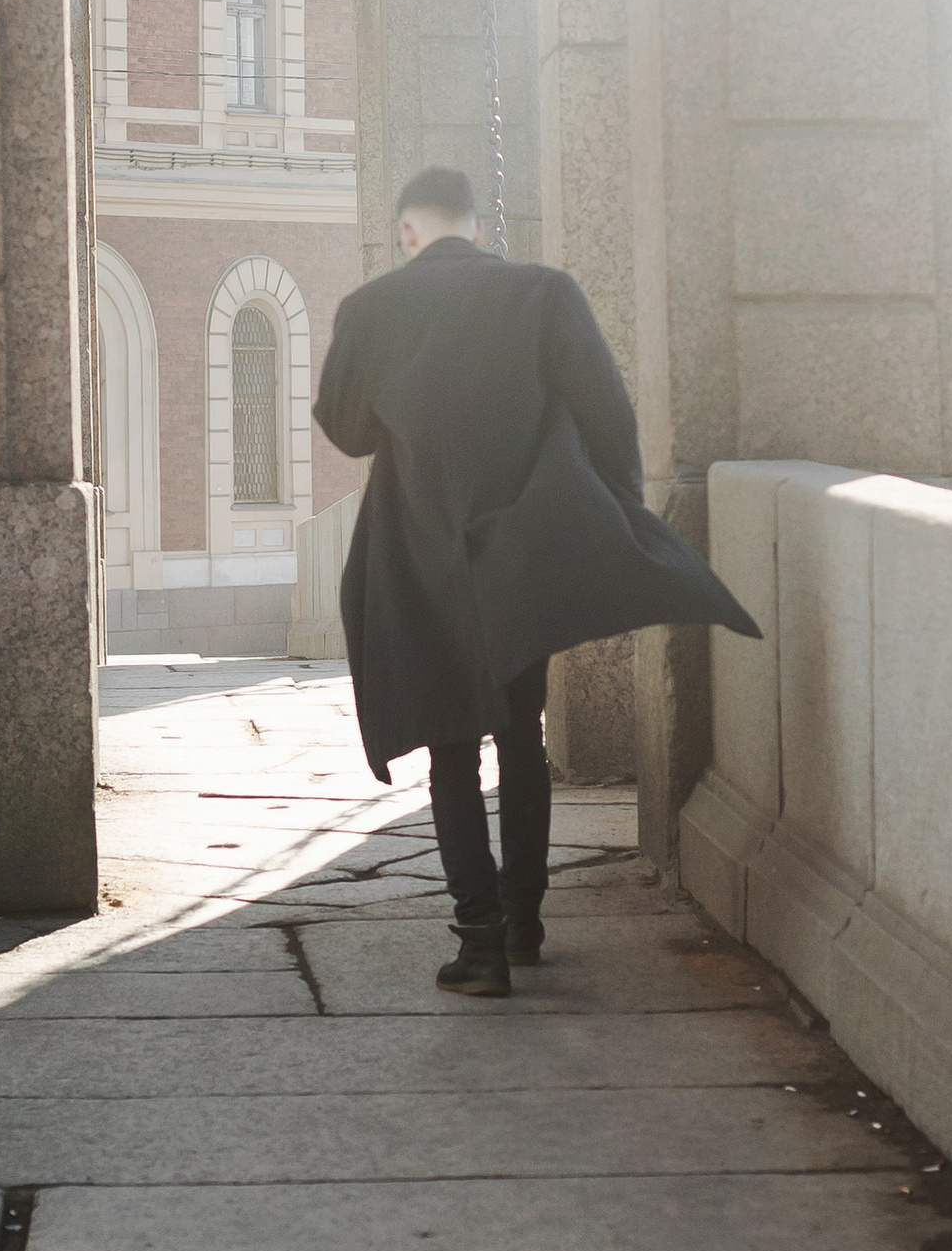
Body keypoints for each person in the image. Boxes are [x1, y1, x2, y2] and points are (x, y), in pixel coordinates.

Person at [313, 166, 759, 995]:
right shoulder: (544, 294)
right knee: (522, 738)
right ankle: (524, 923)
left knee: (451, 747)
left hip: (423, 554)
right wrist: (619, 521)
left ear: (409, 232)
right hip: (522, 550)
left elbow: (347, 431)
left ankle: (477, 945)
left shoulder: (371, 309)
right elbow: (608, 415)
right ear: (476, 227)